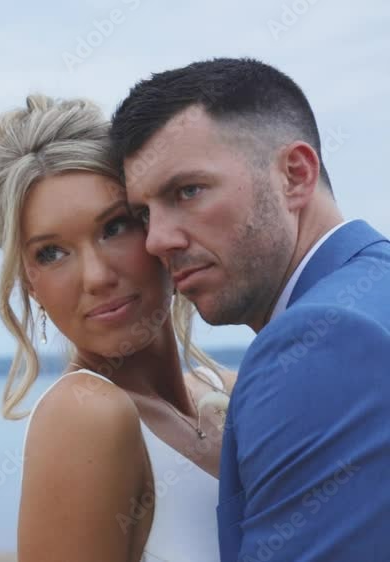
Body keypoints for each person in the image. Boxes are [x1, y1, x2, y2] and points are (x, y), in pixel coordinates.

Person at [110, 57, 390, 561]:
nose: (157, 241)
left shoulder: (317, 343)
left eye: (188, 191)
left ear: (295, 175)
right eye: (143, 214)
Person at [0, 94, 234, 561]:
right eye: (51, 253)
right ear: (30, 285)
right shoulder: (86, 416)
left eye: (114, 227)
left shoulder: (232, 393)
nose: (97, 276)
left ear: (155, 224)